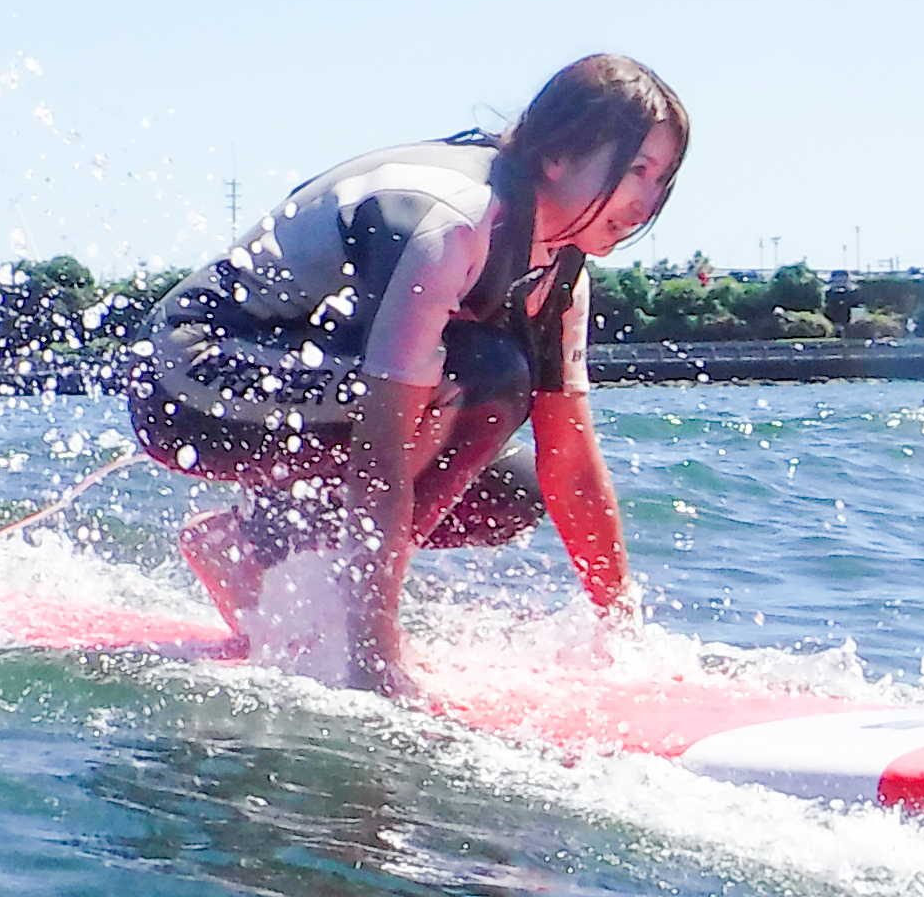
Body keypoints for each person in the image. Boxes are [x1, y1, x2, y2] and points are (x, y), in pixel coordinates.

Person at [128, 54, 689, 696]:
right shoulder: (454, 220)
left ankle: (251, 545)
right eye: (636, 170)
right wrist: (372, 660)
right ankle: (332, 607)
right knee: (483, 380)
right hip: (187, 379)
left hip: (307, 382)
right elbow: (382, 449)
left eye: (662, 178)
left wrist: (623, 635)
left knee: (513, 491)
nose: (647, 201)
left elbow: (571, 462)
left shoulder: (560, 270)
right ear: (557, 154)